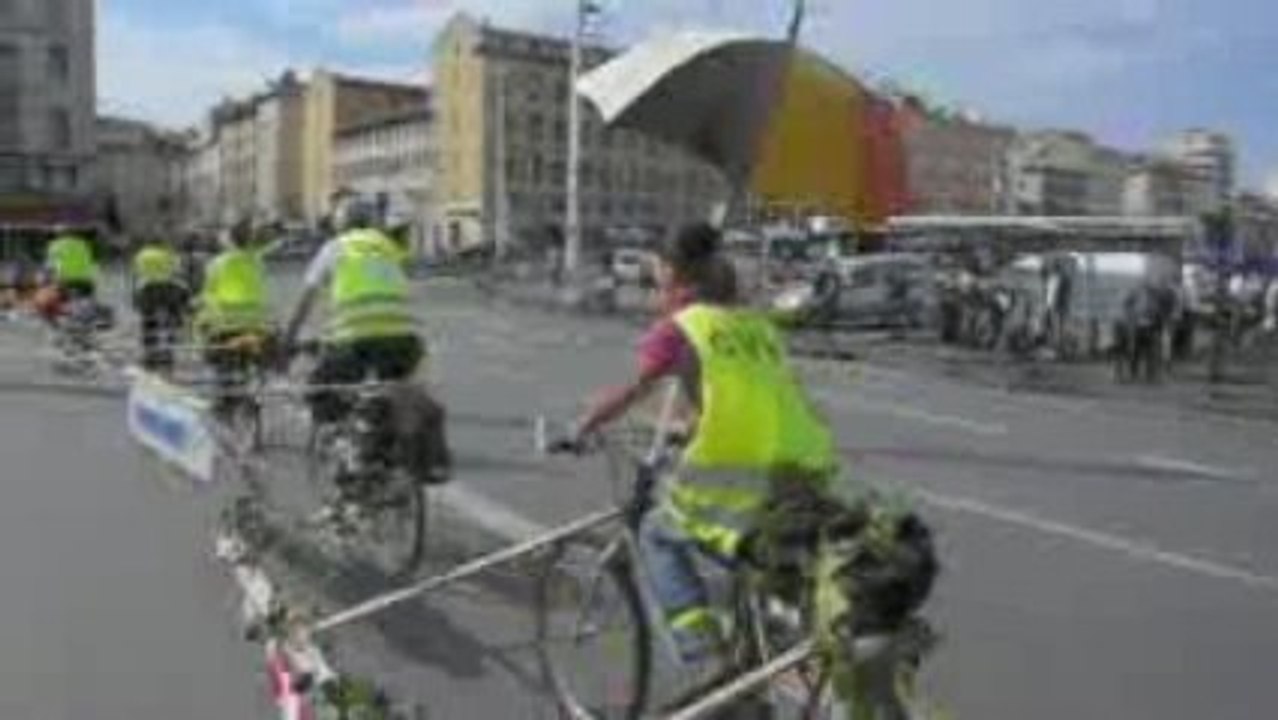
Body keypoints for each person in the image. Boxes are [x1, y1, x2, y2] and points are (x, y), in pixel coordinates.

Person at [562, 223, 839, 672]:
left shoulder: (681, 328)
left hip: (742, 479)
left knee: (656, 531)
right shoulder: (756, 326)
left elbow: (633, 390)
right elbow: (740, 397)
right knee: (743, 553)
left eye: (658, 273)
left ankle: (703, 653)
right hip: (806, 472)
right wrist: (685, 428)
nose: (654, 282)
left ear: (673, 275)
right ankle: (766, 632)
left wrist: (581, 426)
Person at [281, 198, 422, 426]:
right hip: (403, 341)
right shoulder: (389, 247)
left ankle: (345, 441)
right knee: (392, 388)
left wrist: (287, 341)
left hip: (353, 340)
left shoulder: (335, 247)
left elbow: (305, 301)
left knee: (320, 390)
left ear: (341, 224)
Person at [194, 220, 273, 387]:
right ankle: (258, 382)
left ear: (230, 240)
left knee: (203, 334)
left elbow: (207, 293)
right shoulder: (257, 262)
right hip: (256, 325)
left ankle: (215, 373)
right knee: (258, 359)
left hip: (225, 325)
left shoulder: (217, 262)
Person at [132, 241, 189, 368]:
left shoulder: (141, 254)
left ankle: (149, 355)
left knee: (148, 323)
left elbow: (136, 275)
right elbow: (177, 273)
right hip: (167, 289)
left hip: (147, 289)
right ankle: (168, 353)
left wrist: (135, 300)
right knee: (170, 321)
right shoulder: (169, 254)